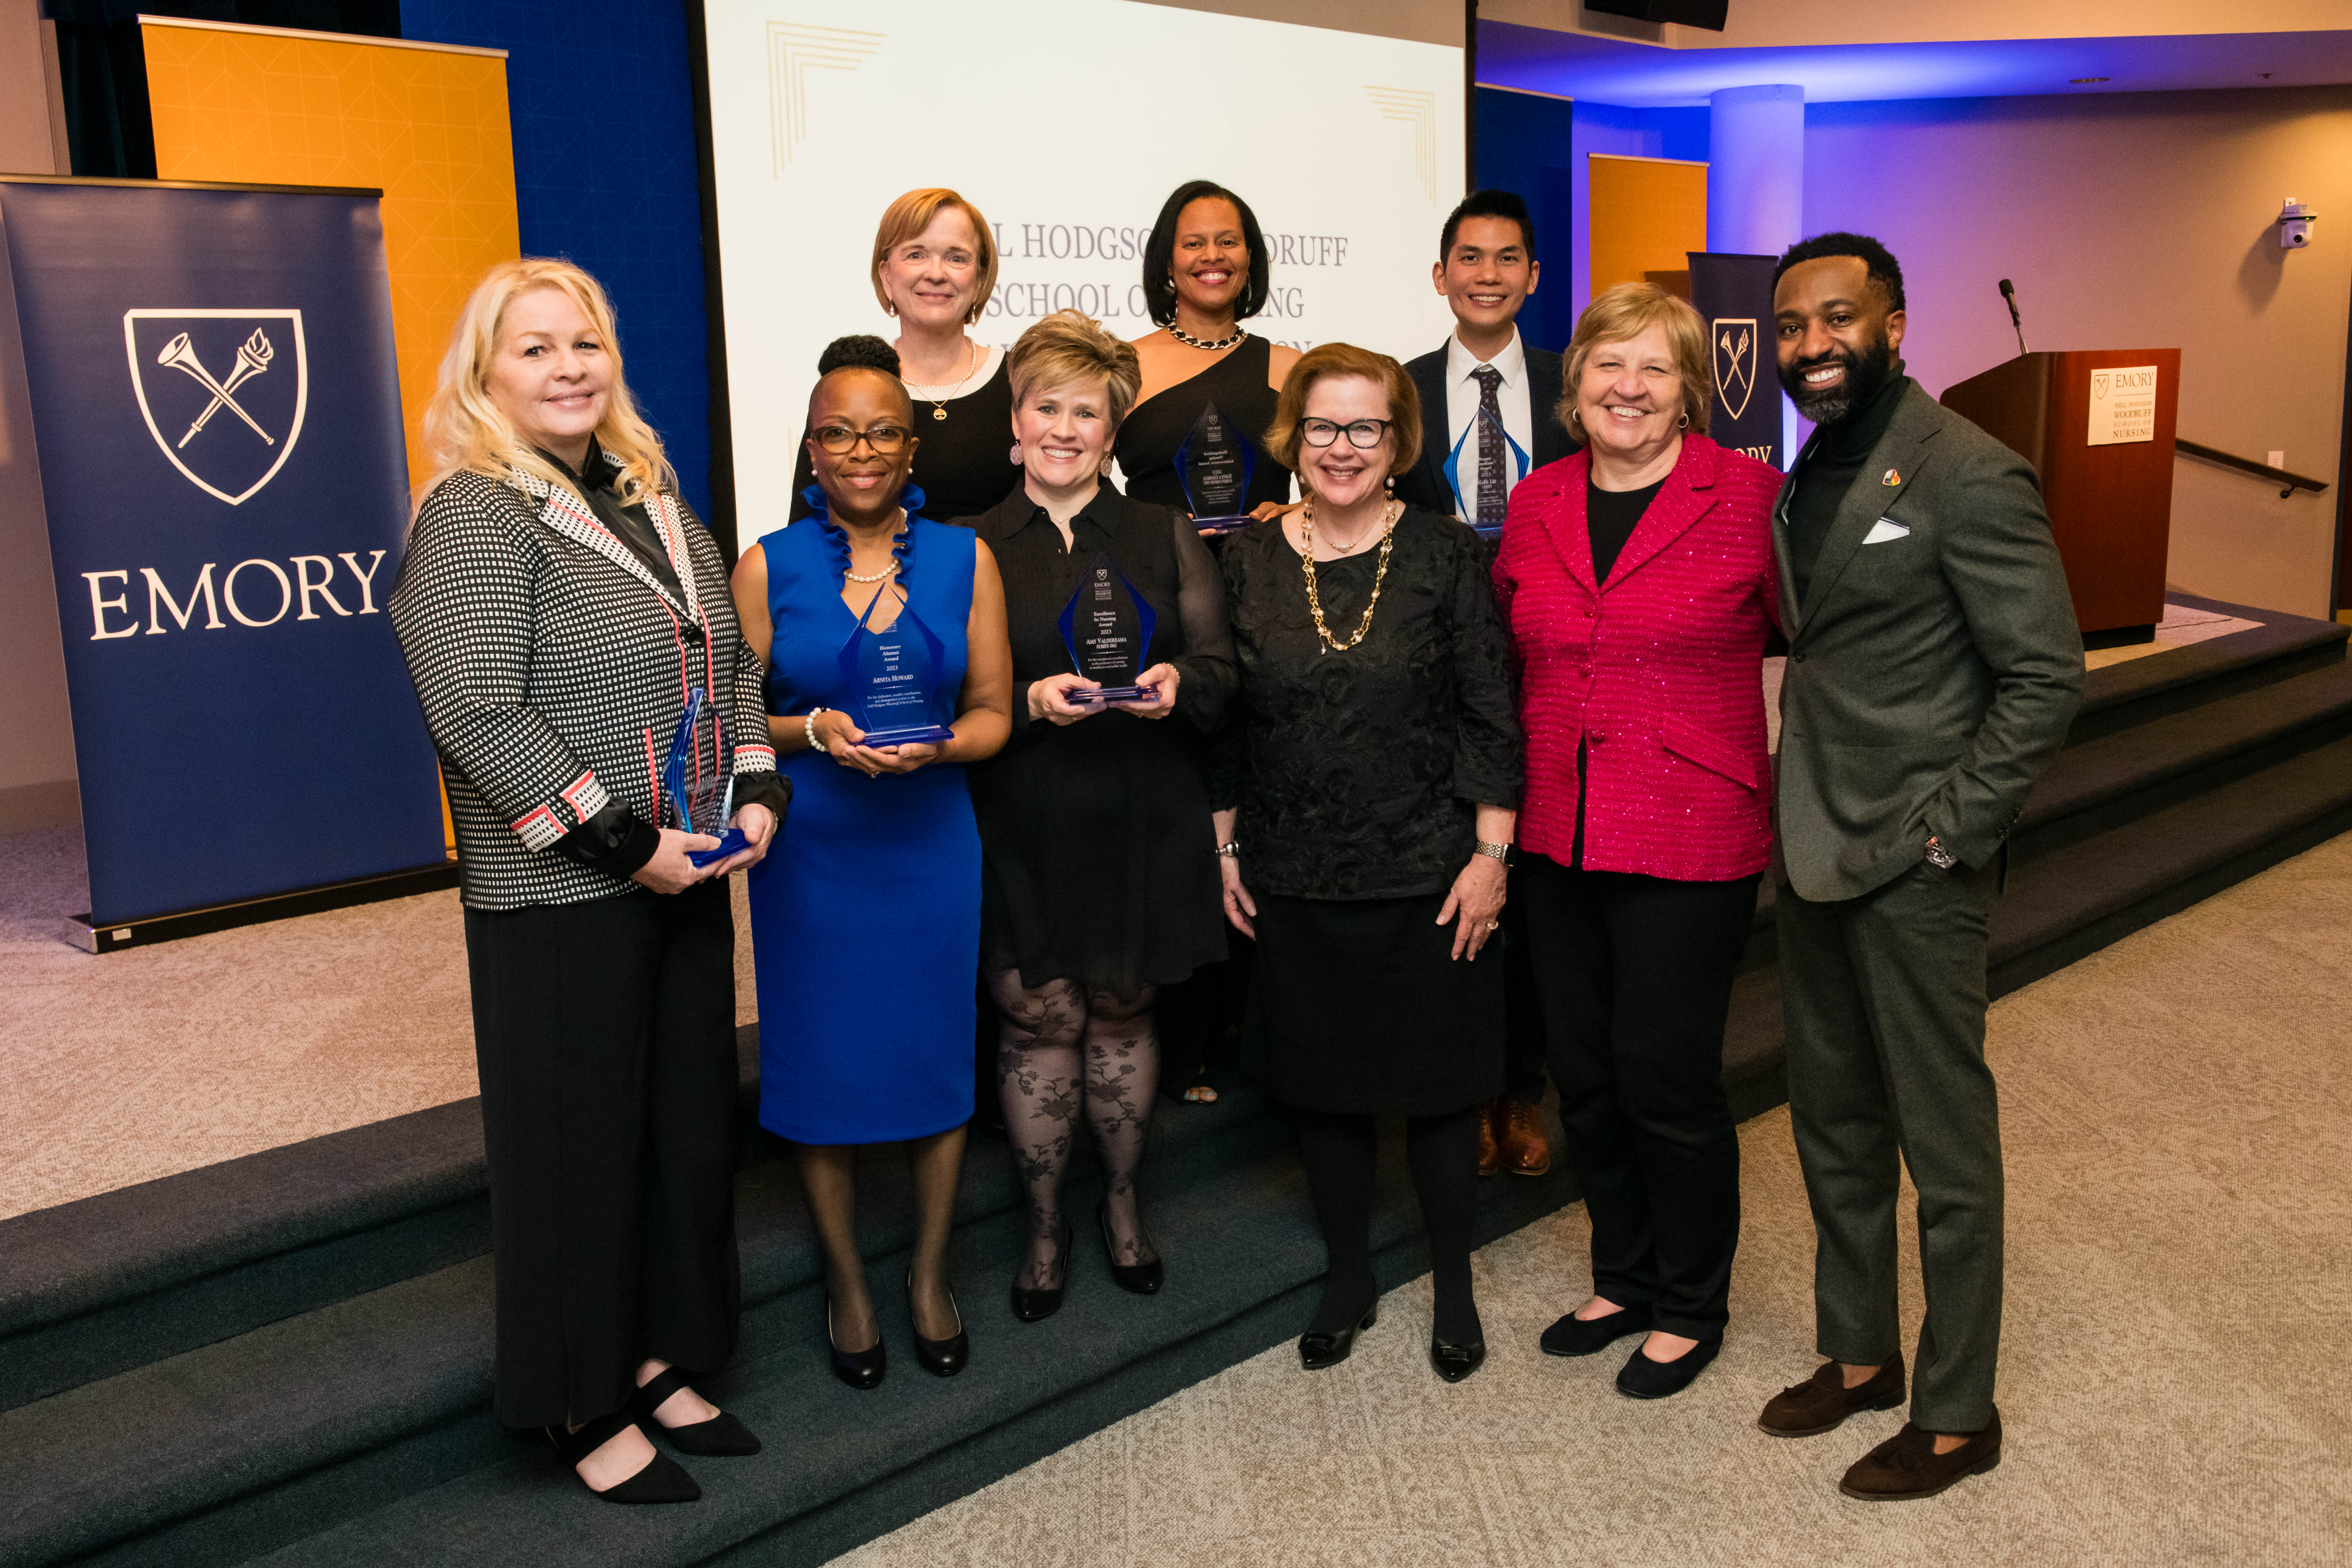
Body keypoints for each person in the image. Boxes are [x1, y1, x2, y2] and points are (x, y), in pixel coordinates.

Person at [390, 258, 787, 1504]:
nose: (568, 368)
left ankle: (668, 1353)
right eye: (536, 349)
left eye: (586, 344)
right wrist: (626, 844)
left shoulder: (661, 506)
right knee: (577, 1149)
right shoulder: (473, 510)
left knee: (680, 1133)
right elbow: (471, 706)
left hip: (687, 872)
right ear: (485, 377)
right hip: (564, 894)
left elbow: (728, 672)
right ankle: (581, 1396)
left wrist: (760, 791)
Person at [1758, 234, 2081, 1499]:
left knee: (1945, 1149)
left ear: (1893, 320)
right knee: (1835, 1123)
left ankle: (1958, 1410)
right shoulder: (1805, 475)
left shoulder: (1967, 471)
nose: (1811, 345)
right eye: (1791, 327)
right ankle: (1859, 1353)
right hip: (1815, 842)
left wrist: (1956, 831)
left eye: (1836, 319)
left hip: (1917, 861)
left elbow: (2047, 674)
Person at [1493, 281, 1783, 1401]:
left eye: (1655, 368)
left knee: (1667, 1077)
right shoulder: (1538, 500)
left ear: (1688, 390)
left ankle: (1691, 1301)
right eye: (1610, 366)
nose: (1630, 388)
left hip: (1689, 828)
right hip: (1556, 829)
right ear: (1573, 390)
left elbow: (1824, 643)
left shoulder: (1752, 496)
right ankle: (1622, 1273)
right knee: (1588, 1073)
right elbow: (1512, 649)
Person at [1212, 344, 1522, 1384]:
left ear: (1398, 443)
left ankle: (1453, 1282)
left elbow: (1491, 711)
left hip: (1430, 871)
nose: (1342, 448)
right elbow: (1224, 726)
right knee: (1326, 1090)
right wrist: (1225, 845)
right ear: (1290, 440)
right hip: (1295, 869)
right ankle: (1348, 1278)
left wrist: (1491, 852)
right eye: (1322, 428)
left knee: (1438, 1093)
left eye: (1365, 429)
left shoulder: (1444, 553)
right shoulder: (1247, 560)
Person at [732, 336, 1014, 1391]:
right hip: (811, 850)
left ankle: (930, 1274)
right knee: (819, 1061)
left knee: (935, 1057)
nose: (862, 448)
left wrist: (940, 745)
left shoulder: (963, 559)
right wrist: (814, 735)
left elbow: (991, 712)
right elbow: (727, 722)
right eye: (839, 430)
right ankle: (849, 1283)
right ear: (812, 449)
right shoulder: (766, 564)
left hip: (930, 838)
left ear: (912, 444)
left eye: (883, 430)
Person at [965, 310, 1237, 1320]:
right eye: (1049, 406)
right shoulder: (970, 548)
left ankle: (1122, 1203)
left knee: (1123, 1010)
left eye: (1089, 411)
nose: (1067, 427)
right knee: (1038, 1019)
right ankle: (1044, 1223)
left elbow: (1222, 671)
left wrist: (1180, 679)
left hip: (1140, 811)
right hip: (1022, 818)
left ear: (1113, 432)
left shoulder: (1164, 532)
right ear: (1016, 423)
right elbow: (948, 694)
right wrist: (1026, 699)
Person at [1396, 187, 1577, 1183]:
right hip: (1434, 677)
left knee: (1534, 893)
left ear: (1533, 275)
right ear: (1440, 275)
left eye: (1508, 258)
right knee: (1449, 885)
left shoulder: (1570, 387)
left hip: (1551, 669)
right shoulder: (1404, 391)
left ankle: (1520, 1091)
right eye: (1468, 257)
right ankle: (1462, 1092)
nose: (1487, 273)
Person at [788, 188, 1017, 523]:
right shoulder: (848, 387)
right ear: (886, 275)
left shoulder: (1022, 381)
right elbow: (806, 522)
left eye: (957, 257)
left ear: (980, 278)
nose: (937, 273)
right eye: (915, 255)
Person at [1114, 180, 1301, 523]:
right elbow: (1086, 491)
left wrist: (1298, 510)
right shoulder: (1123, 365)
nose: (1213, 255)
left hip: (1271, 570)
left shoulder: (1291, 369)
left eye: (1228, 242)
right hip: (1157, 570)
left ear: (1249, 259)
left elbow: (1329, 491)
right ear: (1167, 263)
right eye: (1193, 243)